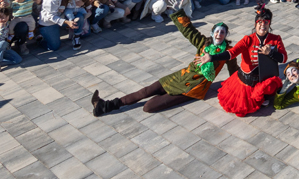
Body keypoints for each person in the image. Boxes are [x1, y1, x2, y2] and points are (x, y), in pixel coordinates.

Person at [92, 12, 239, 115]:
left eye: (223, 32)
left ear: (226, 35)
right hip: (181, 76)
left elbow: (234, 72)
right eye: (217, 31)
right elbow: (188, 30)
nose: (219, 34)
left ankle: (166, 96)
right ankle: (105, 106)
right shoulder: (203, 43)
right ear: (212, 33)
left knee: (148, 107)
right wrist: (178, 12)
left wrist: (242, 86)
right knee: (145, 91)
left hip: (193, 88)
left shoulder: (228, 52)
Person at [202, 6, 287, 117]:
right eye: (259, 22)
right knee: (243, 107)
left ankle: (263, 95)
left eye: (266, 22)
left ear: (269, 24)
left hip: (265, 77)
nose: (263, 24)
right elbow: (232, 53)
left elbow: (284, 58)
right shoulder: (248, 39)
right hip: (248, 80)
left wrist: (270, 53)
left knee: (270, 89)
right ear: (255, 24)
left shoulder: (276, 39)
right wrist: (212, 57)